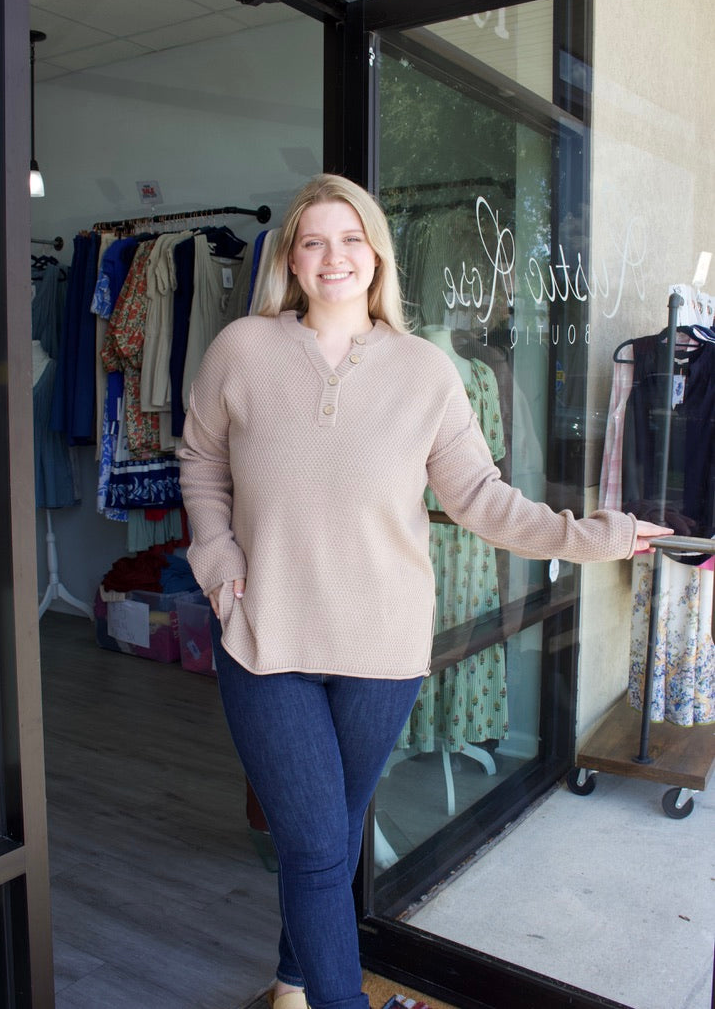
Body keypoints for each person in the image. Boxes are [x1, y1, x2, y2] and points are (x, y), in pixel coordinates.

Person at [177, 174, 670, 1009]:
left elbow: (483, 501)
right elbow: (201, 466)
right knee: (315, 844)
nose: (335, 257)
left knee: (325, 842)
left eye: (351, 239)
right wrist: (221, 570)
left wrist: (599, 534)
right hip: (264, 639)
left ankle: (294, 980)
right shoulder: (242, 350)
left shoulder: (426, 370)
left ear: (376, 254)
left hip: (382, 648)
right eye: (314, 241)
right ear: (292, 260)